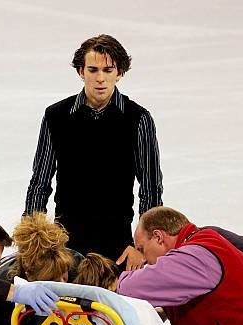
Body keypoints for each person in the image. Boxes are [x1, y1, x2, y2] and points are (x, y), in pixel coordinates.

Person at [24, 34, 163, 268]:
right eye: (93, 70)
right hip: (64, 246)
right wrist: (33, 242)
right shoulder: (56, 116)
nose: (100, 78)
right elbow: (40, 182)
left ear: (119, 73)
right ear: (81, 72)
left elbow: (150, 189)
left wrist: (141, 247)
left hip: (118, 248)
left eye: (108, 70)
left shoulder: (138, 119)